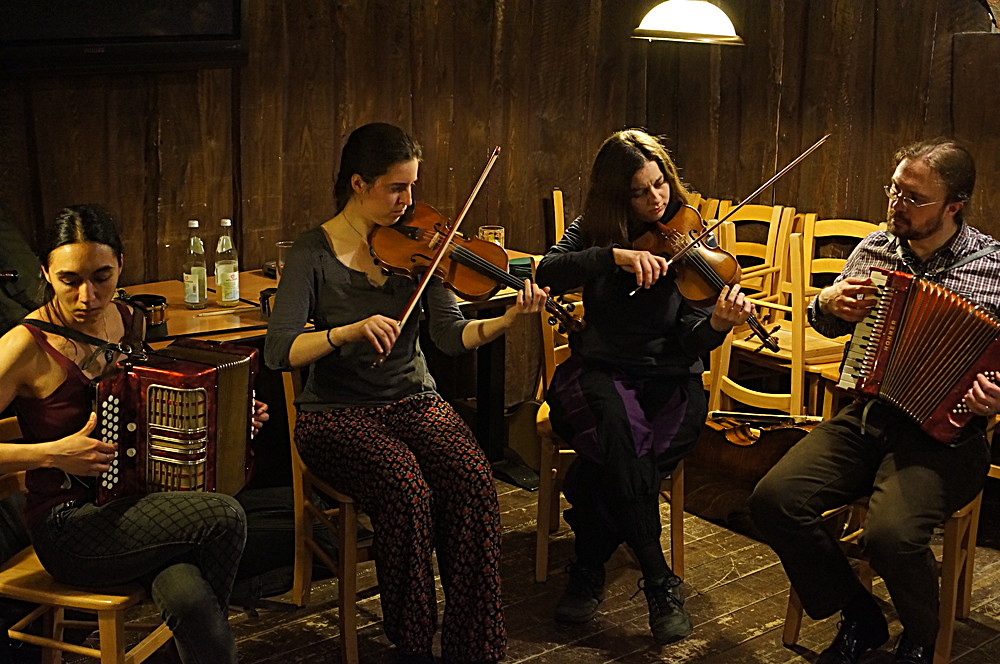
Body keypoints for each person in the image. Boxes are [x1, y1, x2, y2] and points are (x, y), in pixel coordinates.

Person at [263, 122, 547, 664]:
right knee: (405, 487)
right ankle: (412, 641)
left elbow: (451, 336)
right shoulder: (312, 252)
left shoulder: (422, 247)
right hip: (336, 414)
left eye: (412, 186)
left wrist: (507, 320)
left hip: (413, 398)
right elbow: (279, 350)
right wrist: (343, 332)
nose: (409, 201)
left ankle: (474, 645)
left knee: (472, 478)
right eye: (396, 188)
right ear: (358, 184)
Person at [749, 139, 1000, 664]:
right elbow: (824, 322)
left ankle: (921, 635)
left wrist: (996, 397)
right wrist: (827, 301)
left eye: (913, 198)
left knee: (890, 536)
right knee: (774, 500)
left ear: (953, 206)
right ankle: (858, 613)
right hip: (865, 416)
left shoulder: (993, 266)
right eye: (895, 190)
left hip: (945, 440)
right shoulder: (875, 249)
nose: (896, 205)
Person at [0, 204, 269, 664]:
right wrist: (51, 454)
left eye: (101, 277)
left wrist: (229, 418)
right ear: (45, 272)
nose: (87, 296)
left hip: (141, 504)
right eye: (69, 280)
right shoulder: (25, 345)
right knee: (223, 514)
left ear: (121, 266)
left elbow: (154, 406)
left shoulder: (129, 319)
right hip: (70, 526)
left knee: (190, 600)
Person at [534, 128, 754, 645]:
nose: (656, 199)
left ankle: (588, 565)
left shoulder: (691, 235)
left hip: (670, 383)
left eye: (660, 184)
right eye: (639, 192)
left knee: (614, 466)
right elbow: (547, 271)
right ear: (617, 195)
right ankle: (659, 582)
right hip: (601, 374)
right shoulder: (594, 230)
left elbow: (690, 342)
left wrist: (717, 325)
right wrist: (613, 256)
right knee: (622, 436)